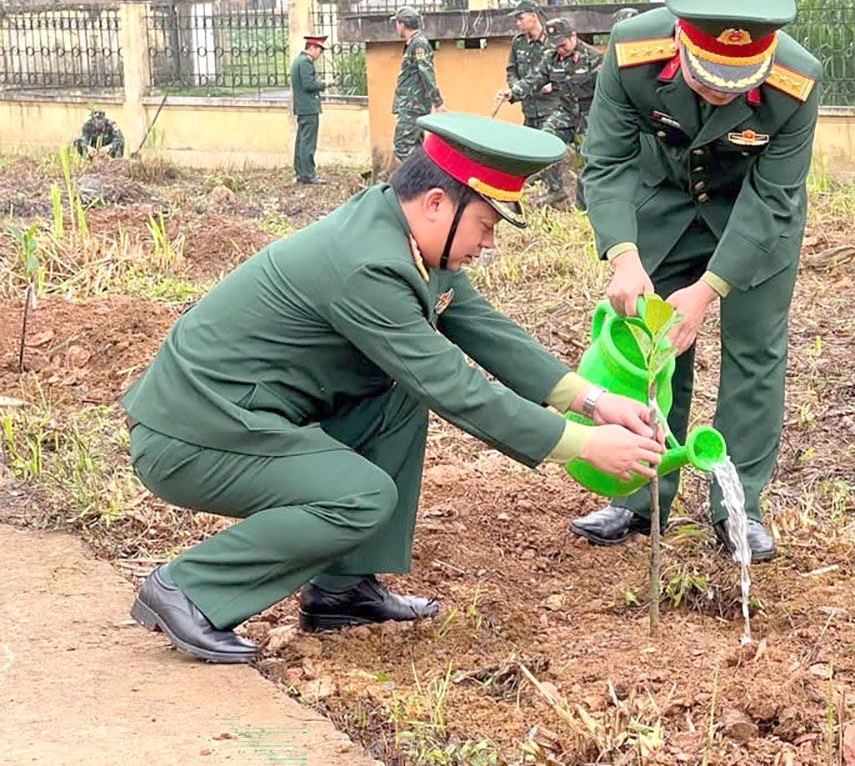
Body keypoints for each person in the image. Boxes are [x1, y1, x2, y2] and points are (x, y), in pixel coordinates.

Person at [123, 113, 665, 664]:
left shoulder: (404, 237)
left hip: (246, 416)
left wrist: (594, 401)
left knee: (400, 394)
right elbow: (455, 387)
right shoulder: (367, 265)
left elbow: (485, 329)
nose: (489, 242)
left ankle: (342, 589)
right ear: (435, 203)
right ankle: (189, 588)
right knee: (360, 495)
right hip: (193, 436)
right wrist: (584, 444)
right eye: (486, 223)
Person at [571, 0, 822, 564]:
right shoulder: (632, 51)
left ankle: (740, 506)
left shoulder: (797, 81)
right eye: (707, 79)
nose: (718, 93)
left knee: (755, 353)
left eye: (735, 86)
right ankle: (638, 496)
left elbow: (773, 197)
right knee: (649, 349)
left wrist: (709, 291)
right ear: (680, 42)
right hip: (664, 203)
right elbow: (604, 162)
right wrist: (624, 256)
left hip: (755, 221)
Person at [499, 17, 603, 209]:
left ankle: (584, 211)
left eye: (563, 45)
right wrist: (513, 92)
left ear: (573, 36)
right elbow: (534, 79)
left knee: (585, 165)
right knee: (543, 142)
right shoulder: (550, 58)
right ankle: (555, 191)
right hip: (564, 113)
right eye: (556, 45)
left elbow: (606, 93)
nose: (560, 50)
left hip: (589, 116)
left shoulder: (594, 58)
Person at [495, 0, 565, 205]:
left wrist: (553, 83)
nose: (518, 22)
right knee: (527, 148)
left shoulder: (553, 40)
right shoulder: (519, 43)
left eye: (520, 17)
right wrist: (516, 88)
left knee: (547, 144)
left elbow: (565, 70)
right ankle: (527, 189)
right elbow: (511, 70)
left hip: (551, 105)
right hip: (529, 105)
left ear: (533, 16)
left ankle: (556, 190)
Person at [391, 6, 446, 167]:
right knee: (416, 148)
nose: (396, 27)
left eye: (397, 23)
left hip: (413, 105)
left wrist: (438, 102)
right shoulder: (413, 43)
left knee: (403, 146)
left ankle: (417, 180)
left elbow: (426, 73)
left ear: (402, 25)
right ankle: (423, 181)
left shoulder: (419, 44)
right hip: (410, 103)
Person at [289, 35, 337, 186]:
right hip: (308, 107)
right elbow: (309, 84)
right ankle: (308, 174)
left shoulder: (299, 61)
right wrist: (326, 83)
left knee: (301, 141)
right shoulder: (305, 63)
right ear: (312, 48)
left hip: (303, 107)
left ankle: (301, 173)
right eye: (319, 50)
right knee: (308, 142)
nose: (320, 54)